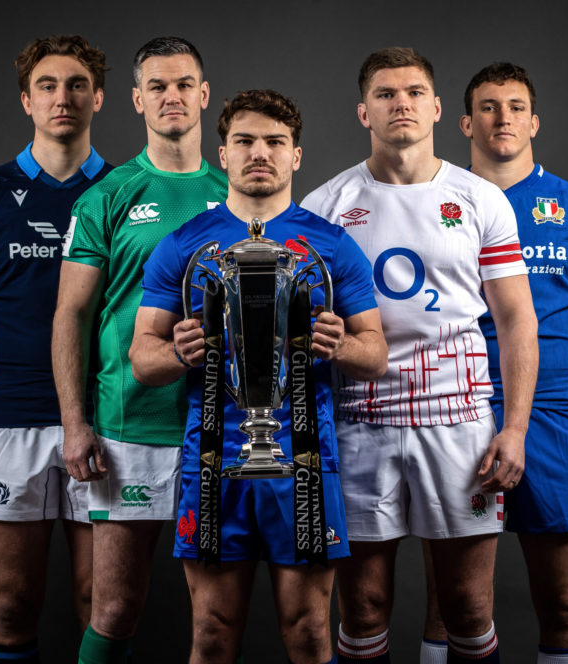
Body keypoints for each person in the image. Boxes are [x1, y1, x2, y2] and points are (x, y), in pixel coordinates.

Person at [132, 88, 387, 664]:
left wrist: (341, 344)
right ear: (223, 154)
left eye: (275, 142)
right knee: (212, 633)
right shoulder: (185, 244)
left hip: (305, 462)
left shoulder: (331, 245)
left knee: (309, 633)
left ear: (296, 155)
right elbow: (143, 359)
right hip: (212, 461)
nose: (260, 153)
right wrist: (179, 352)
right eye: (245, 141)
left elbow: (375, 354)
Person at [301, 47, 539, 664]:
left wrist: (514, 429)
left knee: (467, 606)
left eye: (413, 93)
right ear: (364, 112)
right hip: (358, 420)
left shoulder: (481, 199)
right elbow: (303, 330)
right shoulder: (324, 207)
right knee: (364, 606)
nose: (400, 104)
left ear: (435, 108)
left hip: (457, 422)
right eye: (385, 94)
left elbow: (516, 319)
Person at [422, 61, 568, 664]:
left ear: (534, 122)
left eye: (516, 107)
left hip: (553, 417)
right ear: (465, 123)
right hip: (456, 406)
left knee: (564, 606)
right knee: (451, 605)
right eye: (488, 107)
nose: (503, 118)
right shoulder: (435, 202)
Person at [0, 35, 112, 663]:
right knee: (10, 608)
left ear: (98, 98)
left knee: (100, 607)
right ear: (25, 100)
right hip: (11, 420)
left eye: (77, 85)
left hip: (104, 419)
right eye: (47, 85)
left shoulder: (125, 190)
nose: (63, 98)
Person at [52, 36, 227, 663]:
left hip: (222, 427)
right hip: (129, 425)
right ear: (136, 100)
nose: (171, 96)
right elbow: (71, 315)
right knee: (115, 610)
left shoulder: (237, 191)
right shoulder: (108, 195)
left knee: (214, 619)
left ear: (203, 95)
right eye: (157, 86)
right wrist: (75, 423)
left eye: (182, 84)